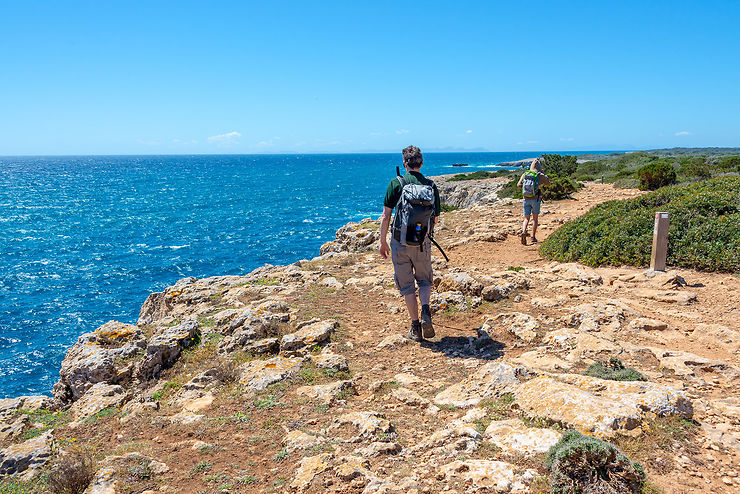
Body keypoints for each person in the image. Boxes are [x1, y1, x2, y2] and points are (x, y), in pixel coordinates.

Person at [379, 145, 441, 342]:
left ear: (404, 163)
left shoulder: (396, 183)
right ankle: (425, 311)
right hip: (422, 242)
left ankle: (415, 327)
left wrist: (383, 242)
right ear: (421, 163)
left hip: (400, 242)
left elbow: (386, 216)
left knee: (407, 286)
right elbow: (435, 219)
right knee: (424, 280)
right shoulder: (431, 186)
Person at [517, 157, 550, 245]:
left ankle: (524, 232)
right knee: (535, 219)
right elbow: (548, 183)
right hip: (536, 199)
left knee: (526, 218)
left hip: (525, 199)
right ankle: (533, 237)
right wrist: (543, 175)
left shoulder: (525, 174)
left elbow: (518, 184)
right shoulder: (539, 175)